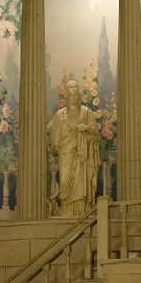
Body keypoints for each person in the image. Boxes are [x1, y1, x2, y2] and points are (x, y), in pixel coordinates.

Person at [48, 80, 101, 217]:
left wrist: (87, 128)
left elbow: (96, 134)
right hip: (66, 154)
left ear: (79, 95)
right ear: (66, 95)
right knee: (64, 180)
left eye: (76, 93)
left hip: (82, 155)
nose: (73, 96)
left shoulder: (87, 113)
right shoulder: (59, 115)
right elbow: (53, 136)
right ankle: (66, 210)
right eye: (71, 93)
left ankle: (82, 210)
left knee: (82, 182)